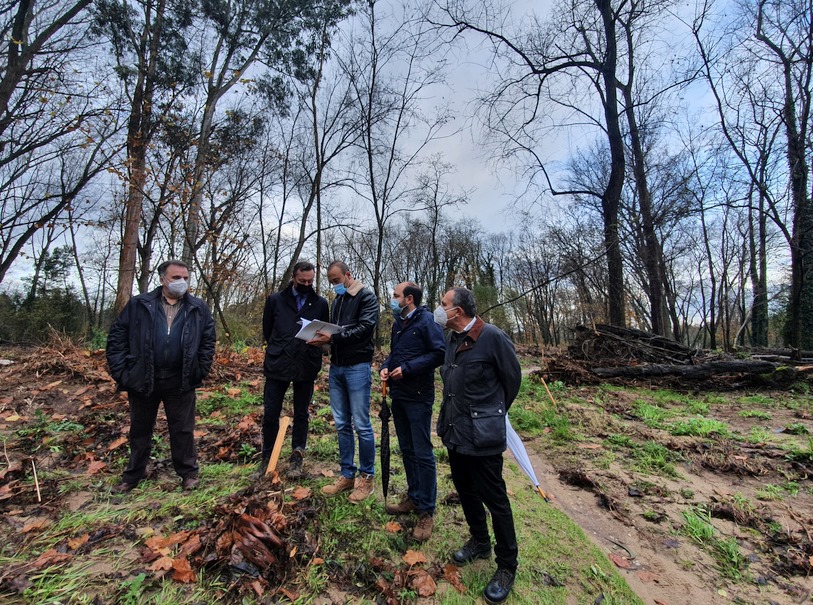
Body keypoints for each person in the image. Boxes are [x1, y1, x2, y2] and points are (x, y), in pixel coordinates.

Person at [435, 287, 522, 605]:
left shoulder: (493, 337)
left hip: (483, 437)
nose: (439, 309)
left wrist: (491, 413)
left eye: (443, 304)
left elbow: (511, 381)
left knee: (495, 499)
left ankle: (507, 566)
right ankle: (480, 542)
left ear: (458, 311)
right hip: (455, 432)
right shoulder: (451, 338)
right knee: (465, 489)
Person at [106, 260, 216, 493]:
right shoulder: (139, 304)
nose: (182, 282)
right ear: (162, 279)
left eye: (185, 278)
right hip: (144, 378)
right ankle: (133, 476)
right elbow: (117, 337)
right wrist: (123, 372)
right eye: (176, 278)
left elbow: (208, 340)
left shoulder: (197, 307)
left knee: (183, 429)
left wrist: (200, 368)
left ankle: (188, 474)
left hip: (181, 378)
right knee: (140, 430)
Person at [308, 261, 379, 502]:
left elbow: (365, 329)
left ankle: (367, 477)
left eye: (337, 281)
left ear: (348, 275)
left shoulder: (366, 297)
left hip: (358, 366)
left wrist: (334, 337)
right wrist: (322, 339)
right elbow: (335, 331)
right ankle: (347, 474)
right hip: (336, 367)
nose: (334, 286)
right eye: (331, 282)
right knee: (341, 423)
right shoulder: (337, 301)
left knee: (361, 424)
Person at [380, 282, 445, 541]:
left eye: (396, 296)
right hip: (399, 395)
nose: (392, 299)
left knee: (422, 453)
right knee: (406, 450)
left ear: (408, 299)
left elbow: (439, 353)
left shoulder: (427, 321)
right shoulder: (399, 323)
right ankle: (414, 498)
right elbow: (396, 354)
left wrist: (408, 368)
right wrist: (387, 366)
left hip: (419, 397)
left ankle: (427, 511)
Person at [261, 260, 329, 478]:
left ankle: (296, 459)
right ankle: (267, 459)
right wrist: (280, 345)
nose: (307, 284)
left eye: (310, 281)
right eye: (302, 281)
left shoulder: (320, 303)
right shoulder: (275, 300)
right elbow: (267, 329)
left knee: (302, 413)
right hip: (278, 362)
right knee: (271, 413)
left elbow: (324, 332)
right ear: (293, 277)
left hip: (306, 363)